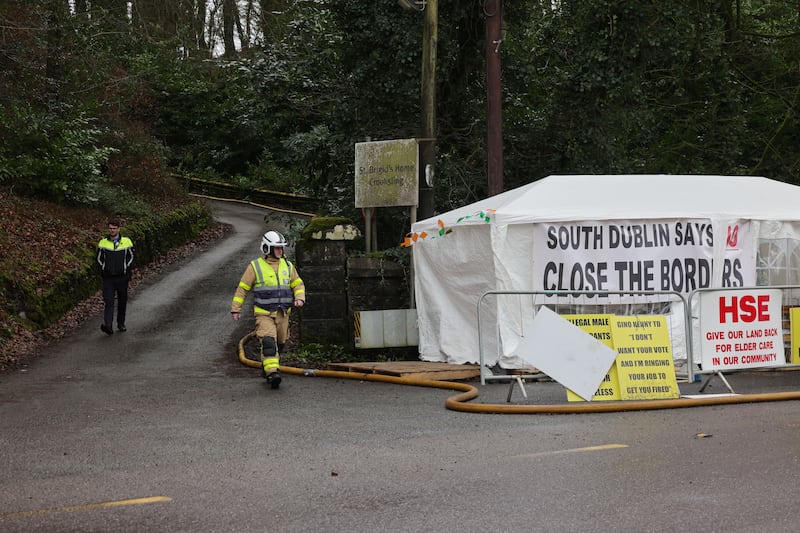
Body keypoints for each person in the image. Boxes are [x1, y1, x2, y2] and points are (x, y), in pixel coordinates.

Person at [231, 230, 305, 389]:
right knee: (269, 343)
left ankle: (267, 367)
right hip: (264, 314)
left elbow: (298, 284)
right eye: (277, 248)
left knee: (280, 343)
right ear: (267, 248)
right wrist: (236, 309)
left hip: (283, 314)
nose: (280, 250)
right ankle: (273, 373)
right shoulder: (255, 266)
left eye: (281, 248)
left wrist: (299, 298)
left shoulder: (287, 265)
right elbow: (242, 289)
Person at [96, 219, 135, 335]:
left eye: (114, 228)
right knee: (108, 301)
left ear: (119, 229)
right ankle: (108, 325)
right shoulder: (103, 242)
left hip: (122, 277)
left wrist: (126, 269)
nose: (112, 230)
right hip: (108, 278)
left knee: (122, 301)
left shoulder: (127, 242)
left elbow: (131, 257)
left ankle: (121, 323)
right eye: (110, 228)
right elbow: (99, 258)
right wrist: (103, 269)